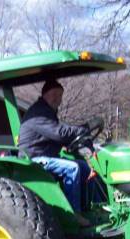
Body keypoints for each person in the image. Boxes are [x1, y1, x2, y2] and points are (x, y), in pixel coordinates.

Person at [18, 79, 91, 222]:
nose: (58, 99)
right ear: (45, 94)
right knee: (73, 168)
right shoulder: (38, 113)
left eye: (60, 95)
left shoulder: (48, 112)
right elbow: (59, 133)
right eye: (54, 94)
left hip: (46, 155)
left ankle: (87, 208)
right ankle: (73, 214)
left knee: (84, 166)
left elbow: (60, 135)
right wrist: (82, 129)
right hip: (33, 158)